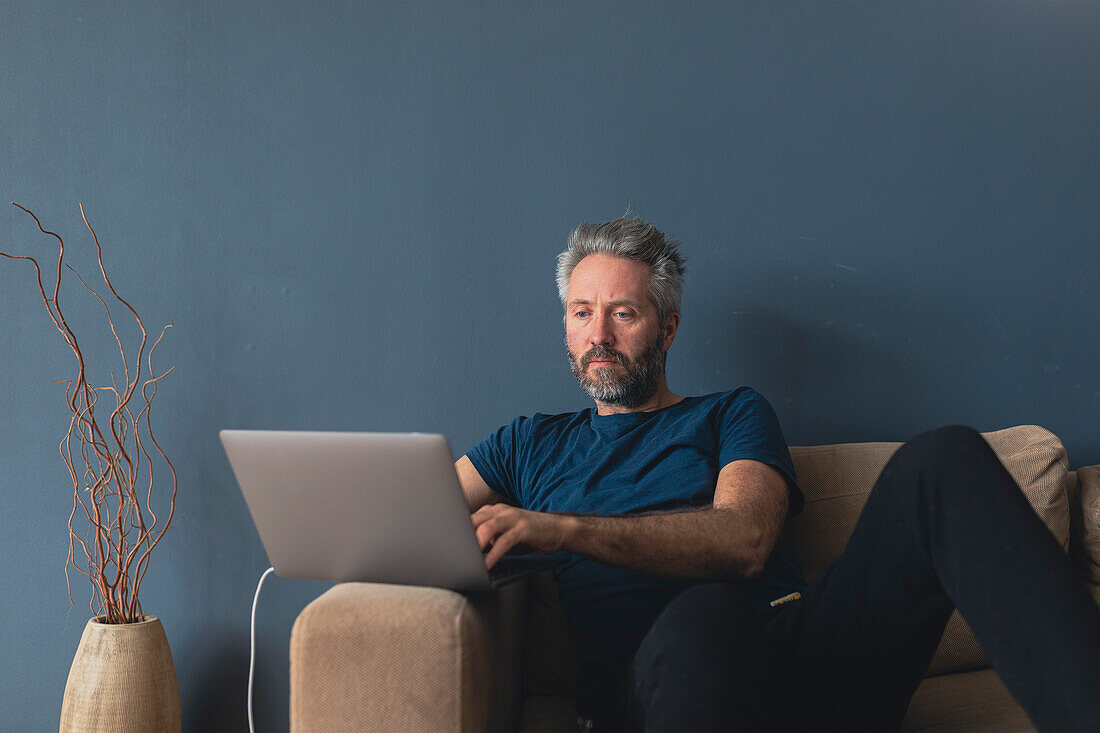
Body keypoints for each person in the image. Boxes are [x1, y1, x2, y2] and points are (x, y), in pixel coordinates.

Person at [455, 217, 1100, 732]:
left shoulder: (731, 413)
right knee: (697, 621)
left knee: (945, 460)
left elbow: (744, 541)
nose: (599, 334)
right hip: (652, 686)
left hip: (800, 658)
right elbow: (414, 520)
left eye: (623, 313)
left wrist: (563, 529)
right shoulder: (527, 445)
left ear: (668, 328)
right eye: (580, 312)